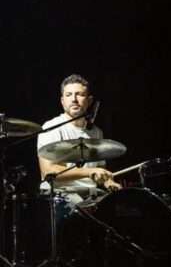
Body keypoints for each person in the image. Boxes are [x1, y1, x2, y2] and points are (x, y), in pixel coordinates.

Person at [37, 74, 121, 205]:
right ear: (62, 100)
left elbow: (100, 170)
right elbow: (48, 171)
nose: (74, 99)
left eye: (79, 94)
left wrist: (109, 182)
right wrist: (89, 172)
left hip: (91, 195)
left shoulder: (96, 132)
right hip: (61, 196)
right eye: (69, 95)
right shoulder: (51, 127)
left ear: (89, 100)